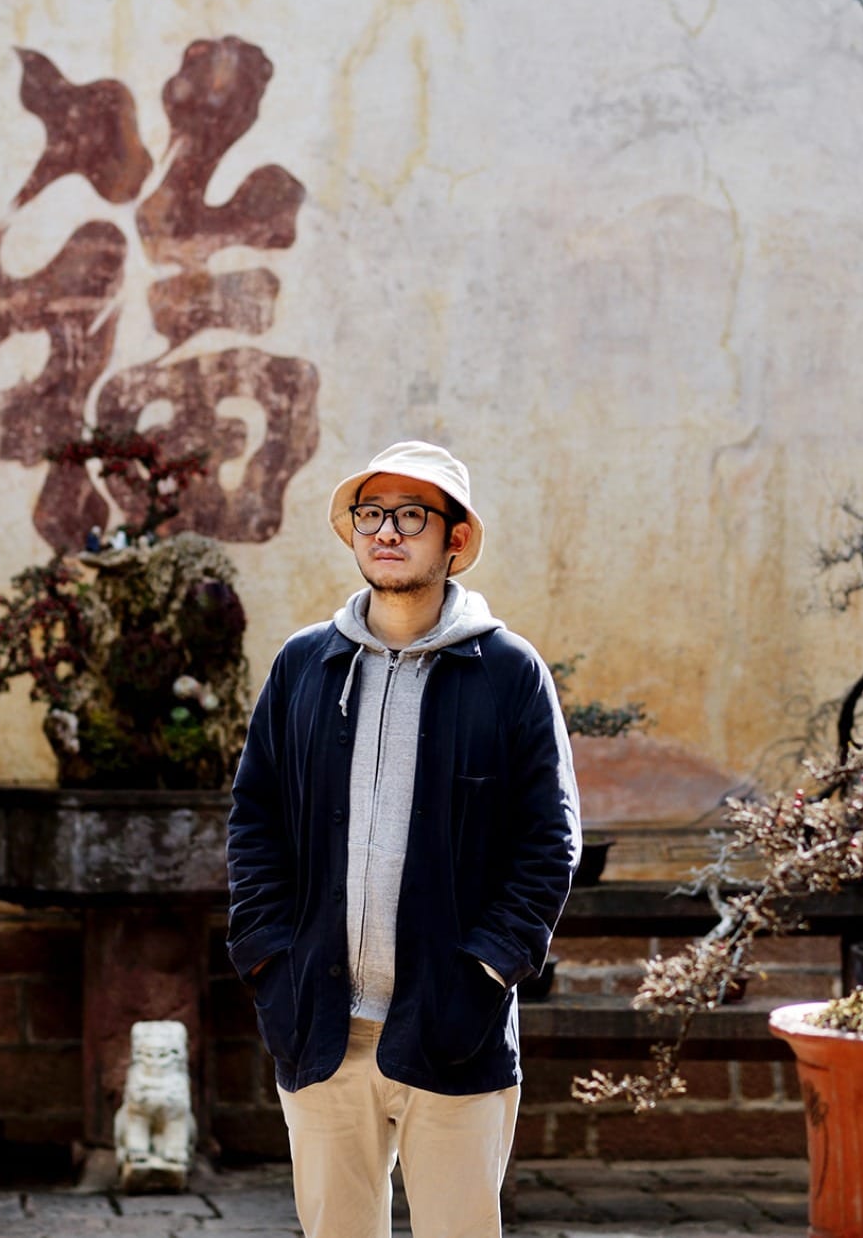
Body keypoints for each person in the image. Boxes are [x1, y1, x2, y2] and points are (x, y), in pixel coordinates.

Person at [226, 440, 582, 1238]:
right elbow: (254, 822)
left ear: (454, 538)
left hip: (454, 1028)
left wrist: (486, 971)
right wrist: (266, 958)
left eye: (413, 515)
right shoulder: (302, 669)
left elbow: (548, 842)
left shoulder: (508, 673)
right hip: (319, 1024)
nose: (388, 531)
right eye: (372, 514)